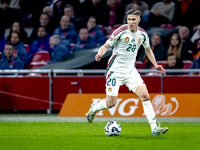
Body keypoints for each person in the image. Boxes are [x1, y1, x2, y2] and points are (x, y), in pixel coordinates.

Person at [86, 9, 168, 136]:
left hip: (130, 71)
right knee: (111, 103)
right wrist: (99, 54)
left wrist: (156, 64)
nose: (130, 22)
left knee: (145, 96)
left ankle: (154, 127)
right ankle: (94, 109)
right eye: (129, 19)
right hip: (115, 71)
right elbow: (106, 46)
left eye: (133, 19)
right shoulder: (120, 31)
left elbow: (148, 49)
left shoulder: (143, 34)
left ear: (139, 20)